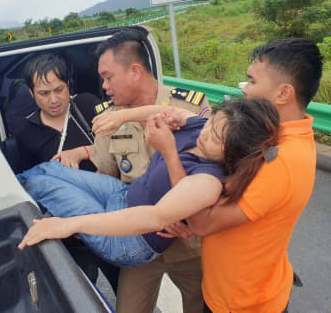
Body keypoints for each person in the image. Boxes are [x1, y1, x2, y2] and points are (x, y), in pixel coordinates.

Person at [16, 99, 280, 270]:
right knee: (50, 169)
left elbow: (155, 217)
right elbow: (166, 111)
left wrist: (68, 224)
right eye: (212, 123)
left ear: (232, 152)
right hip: (124, 195)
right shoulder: (200, 126)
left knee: (41, 185)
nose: (205, 133)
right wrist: (123, 117)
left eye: (216, 137)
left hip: (129, 239)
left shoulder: (208, 180)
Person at [161, 38, 324, 313]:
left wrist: (168, 153)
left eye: (251, 82)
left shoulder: (281, 160)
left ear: (283, 94)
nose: (245, 91)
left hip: (244, 304)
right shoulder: (271, 136)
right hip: (235, 291)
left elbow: (203, 224)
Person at [88, 28, 211, 313]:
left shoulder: (189, 105)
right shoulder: (108, 118)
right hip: (140, 243)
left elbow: (212, 170)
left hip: (189, 243)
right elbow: (106, 178)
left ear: (134, 71)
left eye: (108, 77)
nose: (104, 86)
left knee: (201, 307)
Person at [14, 53, 120, 291]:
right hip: (69, 232)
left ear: (68, 86)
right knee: (79, 293)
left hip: (109, 218)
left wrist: (82, 151)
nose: (54, 99)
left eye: (59, 90)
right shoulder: (26, 133)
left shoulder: (87, 105)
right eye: (43, 93)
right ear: (31, 94)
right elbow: (31, 183)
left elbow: (120, 147)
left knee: (124, 287)